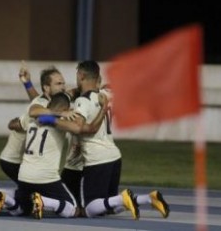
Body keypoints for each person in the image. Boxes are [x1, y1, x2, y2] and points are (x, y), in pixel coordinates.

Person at [38, 60, 170, 219]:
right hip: (114, 156)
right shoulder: (107, 95)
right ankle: (147, 198)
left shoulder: (83, 101)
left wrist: (54, 120)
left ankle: (124, 198)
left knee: (88, 210)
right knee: (107, 205)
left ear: (81, 75)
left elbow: (80, 127)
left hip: (97, 159)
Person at [0, 64, 76, 216]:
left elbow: (41, 101)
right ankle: (34, 200)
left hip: (25, 166)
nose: (64, 87)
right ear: (46, 88)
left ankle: (2, 195)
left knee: (23, 206)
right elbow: (28, 113)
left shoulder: (46, 103)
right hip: (16, 160)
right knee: (66, 206)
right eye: (59, 83)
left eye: (64, 83)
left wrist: (27, 84)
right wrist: (60, 114)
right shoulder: (40, 108)